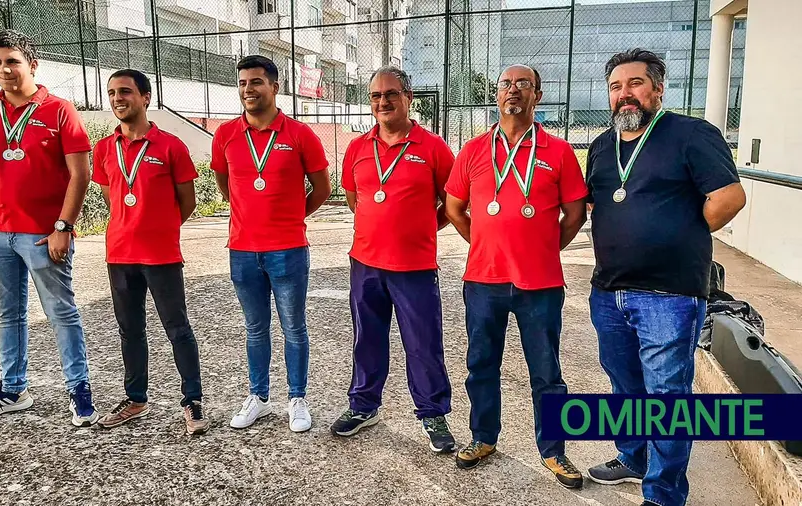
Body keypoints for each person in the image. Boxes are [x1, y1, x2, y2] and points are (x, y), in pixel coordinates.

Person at [584, 49, 746, 506]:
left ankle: (663, 493)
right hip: (609, 291)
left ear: (657, 88)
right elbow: (600, 205)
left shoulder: (691, 134)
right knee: (624, 384)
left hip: (669, 296)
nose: (624, 95)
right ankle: (633, 458)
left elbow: (730, 197)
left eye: (635, 84)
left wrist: (683, 230)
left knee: (667, 397)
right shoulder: (601, 146)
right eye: (616, 87)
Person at [445, 65, 588, 487]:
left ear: (537, 95)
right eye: (506, 84)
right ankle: (483, 437)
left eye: (523, 84)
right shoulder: (472, 150)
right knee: (481, 363)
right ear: (496, 94)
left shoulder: (558, 151)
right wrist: (485, 244)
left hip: (539, 284)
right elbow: (454, 208)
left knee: (546, 371)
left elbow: (575, 214)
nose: (513, 90)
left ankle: (554, 451)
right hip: (483, 280)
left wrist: (541, 249)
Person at [0, 29, 98, 427]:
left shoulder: (59, 109)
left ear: (32, 65)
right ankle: (13, 389)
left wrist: (63, 225)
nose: (4, 70)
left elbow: (81, 173)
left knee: (61, 312)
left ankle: (79, 389)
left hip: (42, 233)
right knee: (8, 314)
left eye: (12, 62)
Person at [329, 65, 456, 453]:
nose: (382, 102)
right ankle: (364, 406)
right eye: (375, 96)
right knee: (367, 339)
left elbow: (450, 205)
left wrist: (418, 230)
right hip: (365, 263)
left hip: (414, 267)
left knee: (423, 343)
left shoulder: (433, 147)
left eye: (391, 94)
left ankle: (432, 413)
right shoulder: (356, 148)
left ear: (408, 98)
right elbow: (356, 200)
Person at [210, 55, 332, 433]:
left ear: (274, 87)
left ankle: (297, 398)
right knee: (254, 327)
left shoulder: (299, 134)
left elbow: (323, 188)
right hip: (243, 251)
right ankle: (259, 398)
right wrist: (248, 215)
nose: (249, 89)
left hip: (288, 249)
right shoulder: (226, 134)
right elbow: (224, 184)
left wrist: (292, 217)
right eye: (243, 82)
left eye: (256, 82)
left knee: (294, 327)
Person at [90, 69, 210, 435]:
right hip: (119, 254)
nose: (117, 99)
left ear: (145, 97)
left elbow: (185, 202)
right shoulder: (104, 148)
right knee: (130, 329)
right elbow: (113, 194)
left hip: (161, 255)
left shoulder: (171, 146)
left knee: (178, 329)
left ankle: (192, 401)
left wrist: (158, 228)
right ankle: (136, 398)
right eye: (111, 93)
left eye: (125, 91)